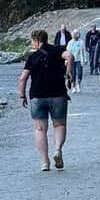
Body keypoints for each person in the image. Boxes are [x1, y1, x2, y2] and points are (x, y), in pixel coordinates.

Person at [18, 29, 73, 172]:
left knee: (40, 129)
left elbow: (23, 78)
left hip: (37, 96)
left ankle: (44, 162)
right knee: (59, 125)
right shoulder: (57, 50)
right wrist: (69, 73)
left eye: (32, 41)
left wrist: (22, 95)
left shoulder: (32, 57)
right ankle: (58, 150)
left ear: (36, 40)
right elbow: (70, 56)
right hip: (58, 94)